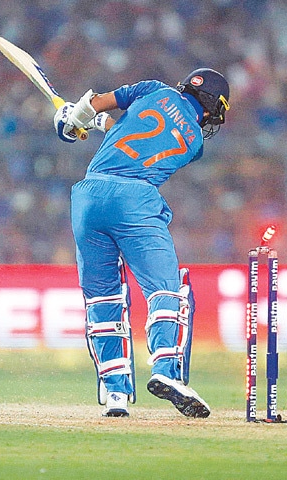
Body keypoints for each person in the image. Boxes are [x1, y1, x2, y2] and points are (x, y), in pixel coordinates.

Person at [53, 68, 230, 417]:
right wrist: (89, 121)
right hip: (135, 200)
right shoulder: (194, 141)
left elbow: (103, 108)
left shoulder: (153, 90)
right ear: (211, 107)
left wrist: (74, 119)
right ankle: (166, 372)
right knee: (165, 291)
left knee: (102, 298)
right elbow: (140, 137)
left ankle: (115, 394)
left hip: (89, 196)